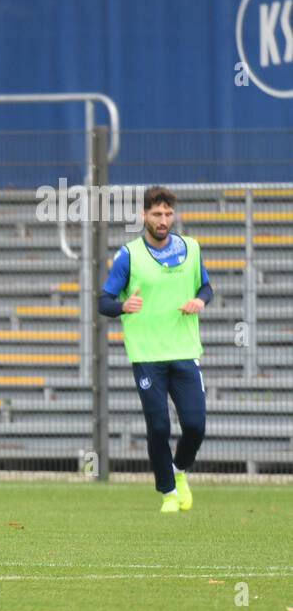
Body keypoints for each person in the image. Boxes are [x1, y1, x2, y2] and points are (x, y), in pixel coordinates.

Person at [99, 185, 212, 513]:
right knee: (159, 427)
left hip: (184, 349)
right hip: (147, 354)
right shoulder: (128, 255)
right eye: (156, 214)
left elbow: (206, 286)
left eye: (168, 214)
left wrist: (199, 300)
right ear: (143, 216)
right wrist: (123, 306)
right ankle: (168, 493)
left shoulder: (191, 248)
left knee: (195, 425)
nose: (163, 220)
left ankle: (179, 471)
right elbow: (103, 301)